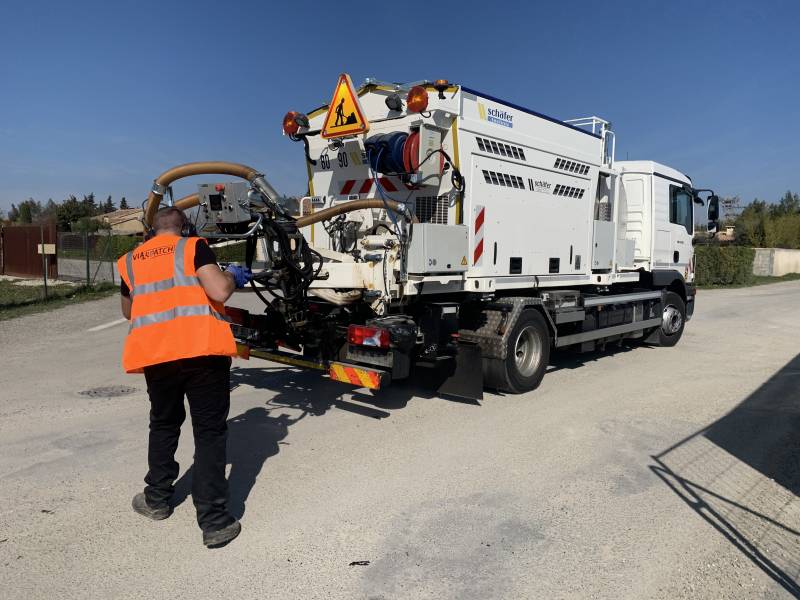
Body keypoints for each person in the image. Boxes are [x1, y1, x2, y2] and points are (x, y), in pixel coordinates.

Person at [117, 206, 252, 548]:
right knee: (209, 432)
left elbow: (129, 310)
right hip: (202, 354)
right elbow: (219, 291)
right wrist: (234, 275)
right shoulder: (193, 247)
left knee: (163, 424)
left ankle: (157, 499)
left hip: (158, 357)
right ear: (185, 226)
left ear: (151, 229)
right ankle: (214, 521)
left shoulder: (130, 260)